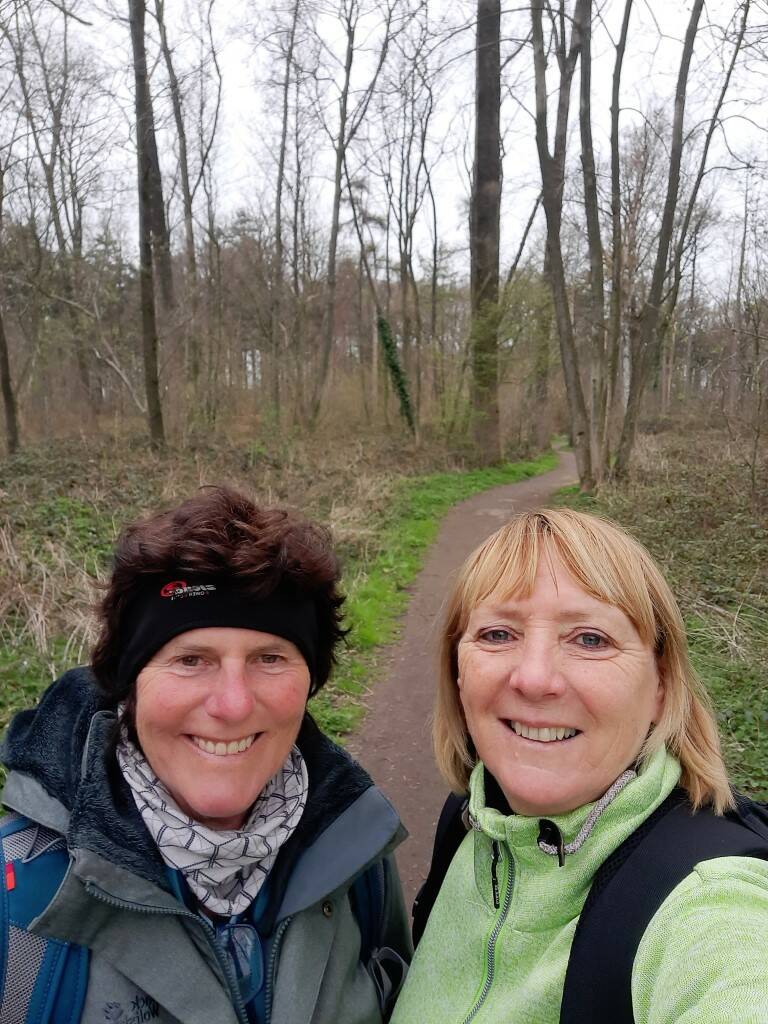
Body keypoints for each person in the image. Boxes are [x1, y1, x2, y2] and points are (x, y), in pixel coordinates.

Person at [0, 486, 411, 1024]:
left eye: (270, 658)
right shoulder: (16, 892)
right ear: (129, 684)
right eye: (191, 660)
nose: (232, 704)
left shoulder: (355, 852)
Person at [392, 507, 768, 1024]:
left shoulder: (710, 906)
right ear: (457, 673)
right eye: (498, 634)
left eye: (590, 639)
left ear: (661, 685)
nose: (534, 679)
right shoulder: (470, 822)